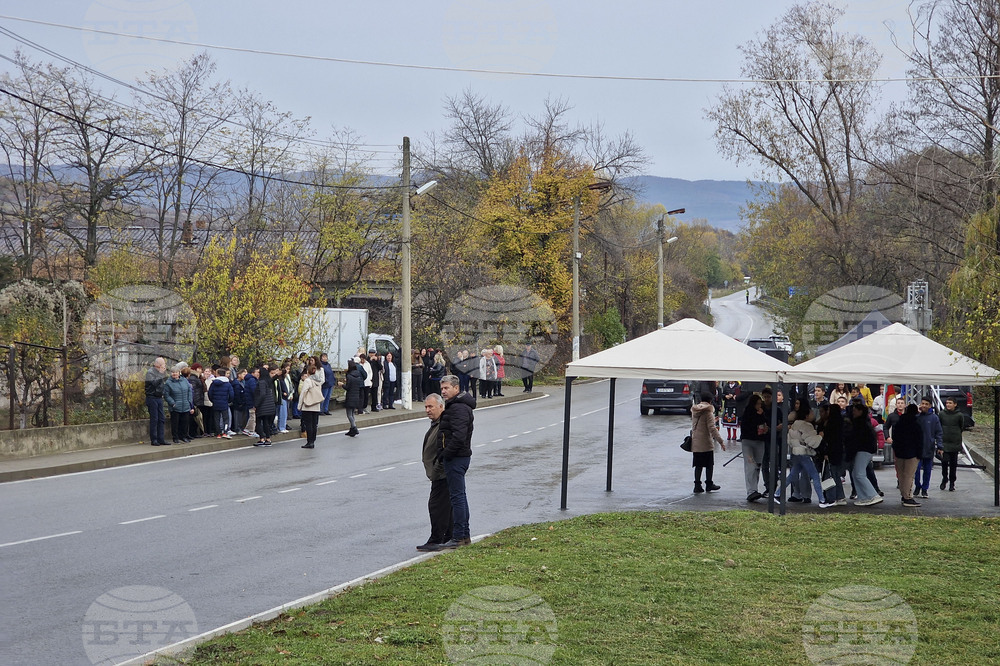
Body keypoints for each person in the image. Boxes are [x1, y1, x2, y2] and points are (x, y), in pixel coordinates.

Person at [438, 374, 476, 549]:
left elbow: (459, 436)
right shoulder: (457, 405)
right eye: (442, 388)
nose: (443, 391)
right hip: (459, 456)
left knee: (457, 497)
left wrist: (447, 453)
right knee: (460, 496)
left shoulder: (459, 408)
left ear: (456, 388)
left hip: (457, 457)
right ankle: (464, 535)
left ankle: (459, 536)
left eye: (446, 388)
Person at [775, 407, 833, 507]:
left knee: (792, 475)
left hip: (796, 452)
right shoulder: (807, 426)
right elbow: (812, 442)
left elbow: (789, 440)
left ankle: (777, 493)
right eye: (811, 413)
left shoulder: (794, 425)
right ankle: (822, 500)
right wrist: (820, 436)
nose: (813, 414)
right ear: (806, 416)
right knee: (815, 476)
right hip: (804, 453)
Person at [416, 393, 453, 552]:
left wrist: (437, 468)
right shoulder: (436, 423)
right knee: (446, 506)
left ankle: (436, 538)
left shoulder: (444, 424)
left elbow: (444, 450)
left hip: (442, 474)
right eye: (425, 407)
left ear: (441, 406)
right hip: (438, 473)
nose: (427, 410)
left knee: (436, 506)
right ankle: (449, 536)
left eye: (430, 406)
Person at [845, 402, 883, 506]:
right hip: (866, 449)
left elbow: (856, 439)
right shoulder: (864, 422)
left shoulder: (859, 423)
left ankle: (872, 495)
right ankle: (863, 497)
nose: (853, 413)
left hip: (863, 450)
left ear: (860, 411)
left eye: (855, 411)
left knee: (859, 474)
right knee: (856, 473)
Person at [691, 390, 725, 493]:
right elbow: (712, 429)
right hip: (706, 442)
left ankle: (697, 485)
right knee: (709, 464)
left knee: (698, 465)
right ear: (710, 401)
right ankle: (709, 484)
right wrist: (721, 441)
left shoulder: (695, 410)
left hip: (696, 442)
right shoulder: (708, 412)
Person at [892, 404, 924, 507]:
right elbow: (919, 440)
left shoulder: (899, 422)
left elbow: (895, 436)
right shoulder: (916, 424)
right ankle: (907, 497)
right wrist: (920, 453)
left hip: (900, 452)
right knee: (909, 475)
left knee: (901, 475)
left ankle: (903, 494)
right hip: (912, 453)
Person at [740, 393, 768, 502]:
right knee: (750, 465)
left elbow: (765, 423)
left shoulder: (762, 413)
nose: (759, 406)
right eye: (757, 404)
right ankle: (751, 491)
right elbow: (749, 425)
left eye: (760, 404)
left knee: (757, 466)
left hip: (759, 441)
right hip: (748, 441)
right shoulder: (748, 413)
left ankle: (754, 490)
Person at [914, 396, 943, 499]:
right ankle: (917, 486)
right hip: (917, 448)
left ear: (930, 406)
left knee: (927, 470)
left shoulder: (934, 418)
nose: (924, 406)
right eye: (922, 403)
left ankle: (925, 488)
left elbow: (938, 433)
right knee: (915, 470)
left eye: (926, 404)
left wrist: (940, 446)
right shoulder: (916, 416)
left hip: (929, 448)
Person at [938, 396, 967, 491]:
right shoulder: (941, 414)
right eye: (947, 403)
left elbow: (961, 426)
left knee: (953, 464)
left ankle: (952, 482)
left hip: (955, 442)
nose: (948, 405)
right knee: (944, 462)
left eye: (950, 403)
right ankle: (944, 478)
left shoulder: (959, 415)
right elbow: (939, 426)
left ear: (955, 404)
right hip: (944, 442)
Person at [163, 364, 194, 444]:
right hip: (175, 406)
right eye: (173, 372)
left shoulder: (184, 380)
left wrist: (189, 402)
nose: (174, 374)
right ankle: (175, 437)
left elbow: (189, 391)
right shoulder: (168, 383)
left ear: (179, 373)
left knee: (185, 422)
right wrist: (172, 403)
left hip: (185, 405)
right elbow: (166, 395)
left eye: (176, 372)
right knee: (175, 423)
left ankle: (184, 436)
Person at [298, 356, 324, 448]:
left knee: (308, 424)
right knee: (314, 424)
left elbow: (303, 392)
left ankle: (309, 441)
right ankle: (313, 440)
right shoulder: (318, 381)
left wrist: (300, 405)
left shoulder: (308, 381)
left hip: (308, 405)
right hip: (316, 404)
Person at [144, 357, 168, 446]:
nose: (163, 367)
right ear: (157, 365)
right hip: (152, 397)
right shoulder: (150, 372)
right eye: (162, 365)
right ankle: (154, 439)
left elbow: (163, 383)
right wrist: (161, 374)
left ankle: (161, 438)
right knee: (154, 419)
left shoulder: (160, 373)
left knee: (161, 419)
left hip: (159, 397)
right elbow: (154, 383)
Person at [208, 367, 234, 439]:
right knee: (226, 418)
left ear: (218, 374)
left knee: (217, 418)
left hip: (216, 403)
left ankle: (218, 433)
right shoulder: (227, 383)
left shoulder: (213, 383)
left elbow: (210, 393)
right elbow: (231, 394)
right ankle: (225, 432)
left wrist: (213, 400)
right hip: (224, 403)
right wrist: (229, 401)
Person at [341, 359, 364, 437]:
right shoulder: (357, 375)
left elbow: (348, 387)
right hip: (356, 396)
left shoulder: (349, 376)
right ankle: (352, 429)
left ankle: (354, 427)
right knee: (352, 414)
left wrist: (342, 385)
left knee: (349, 414)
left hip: (350, 396)